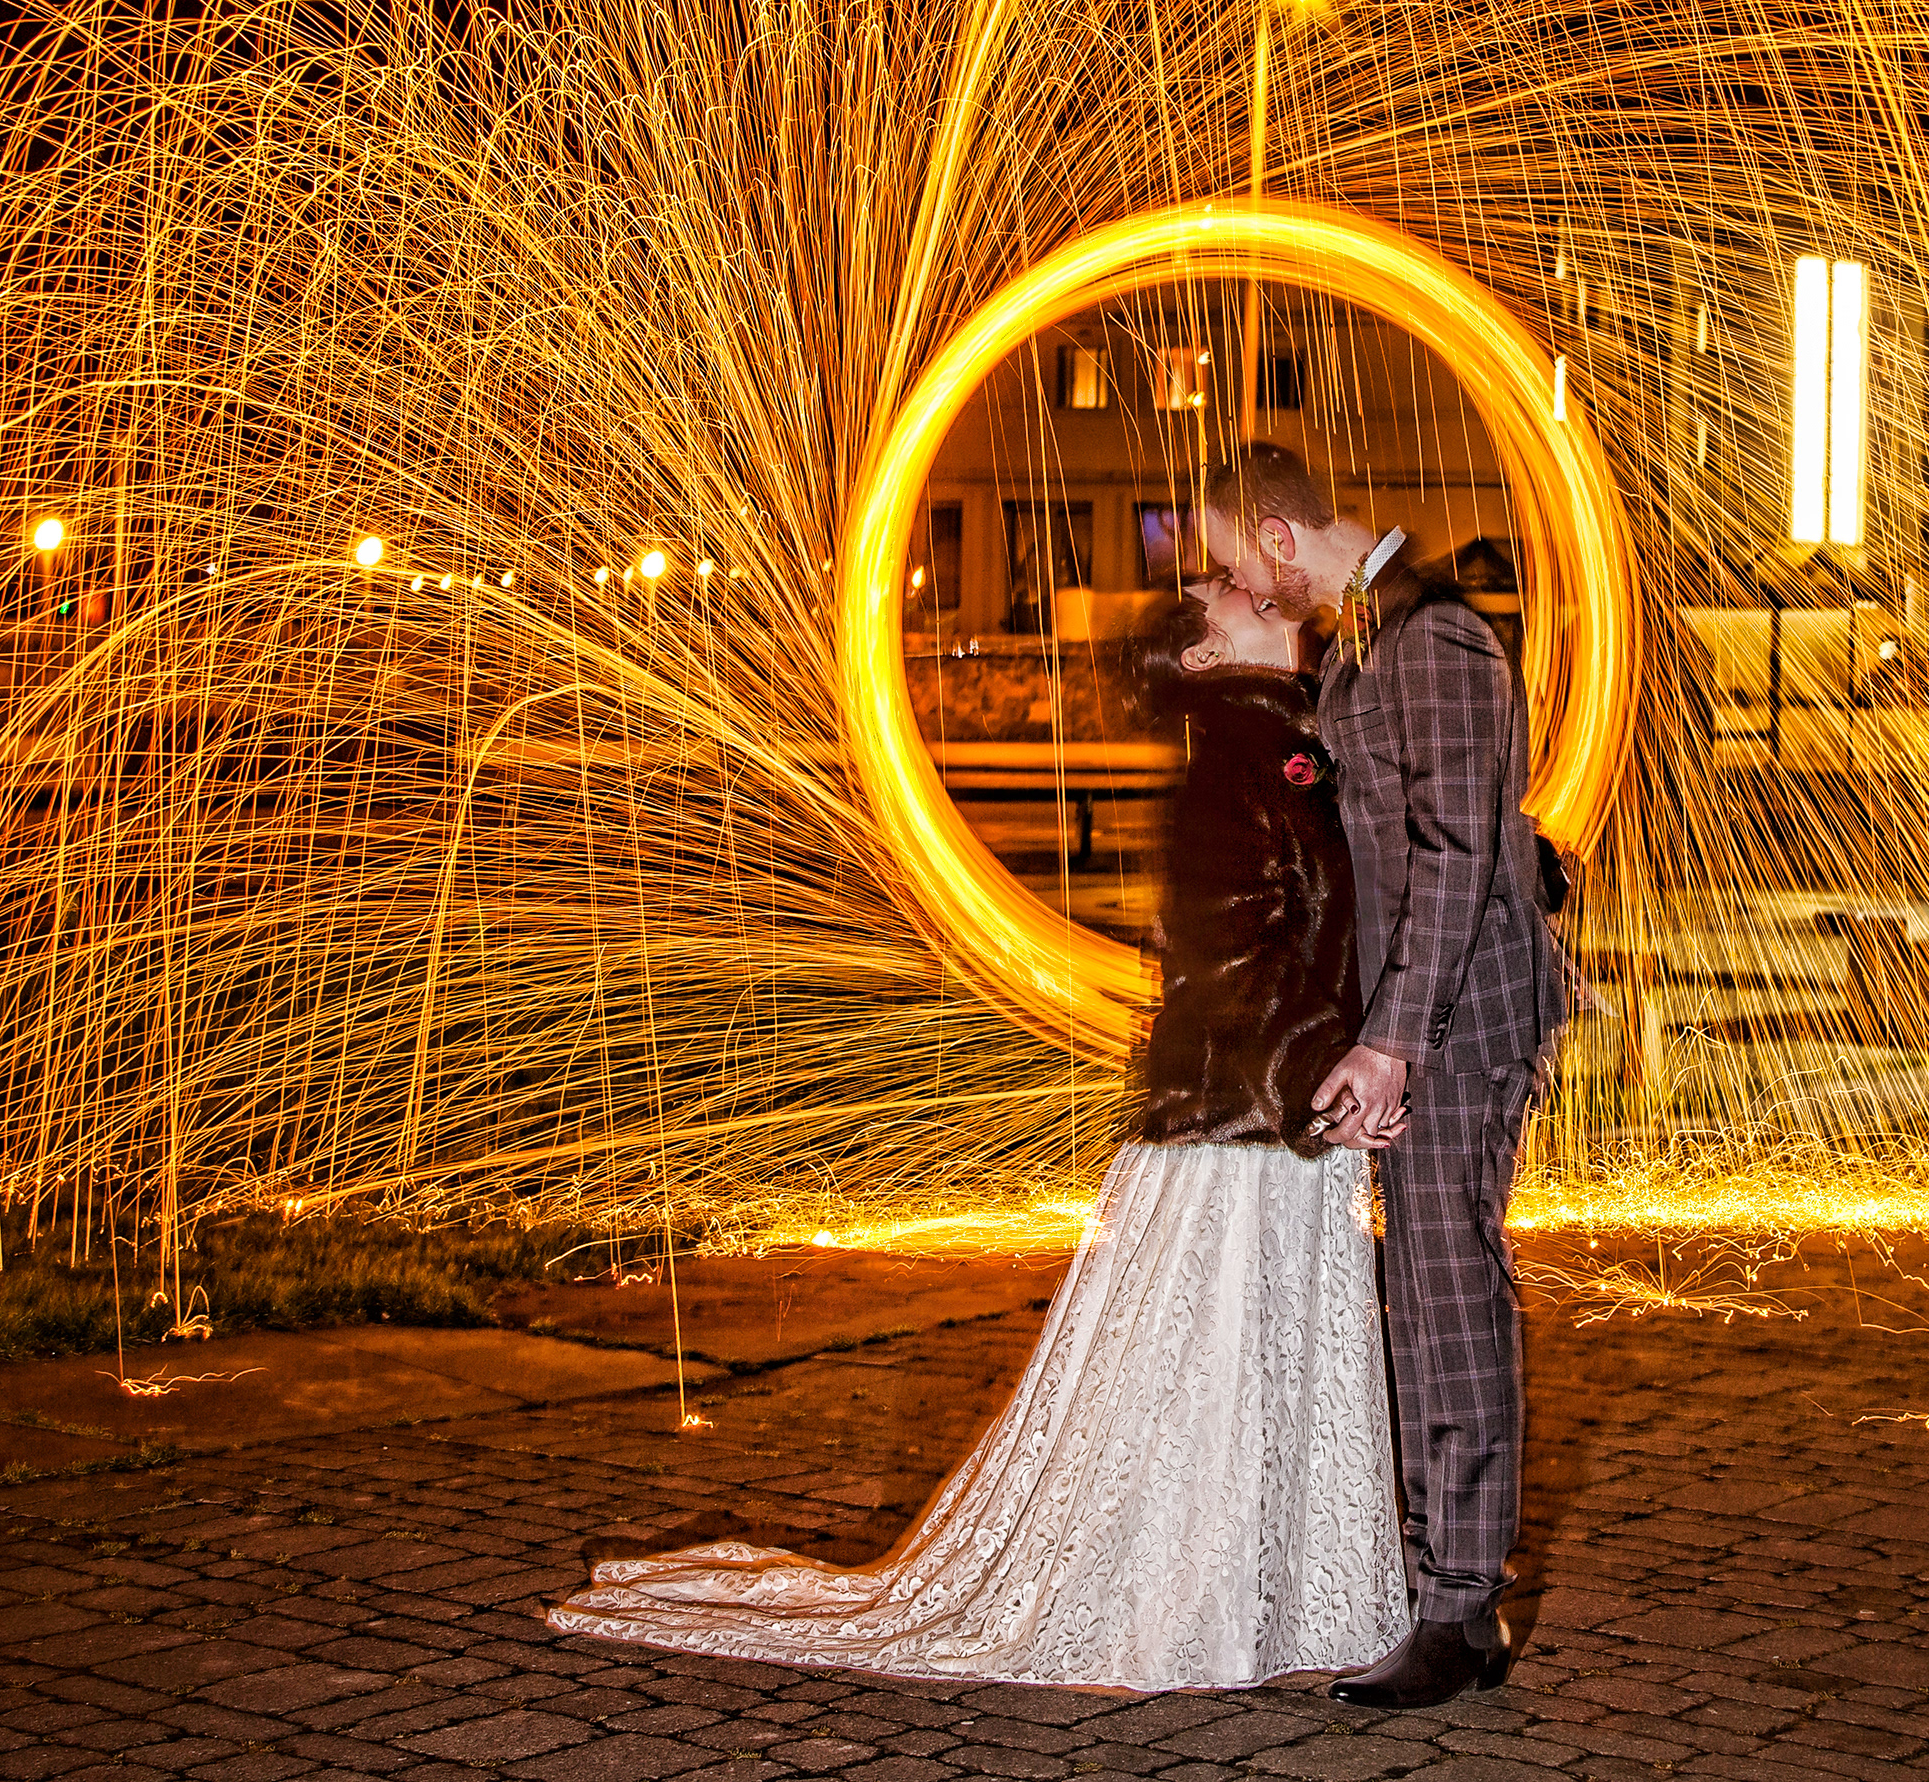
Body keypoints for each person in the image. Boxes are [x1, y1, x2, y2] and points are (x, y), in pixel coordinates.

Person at [545, 581, 1405, 1690]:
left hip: (1282, 1121)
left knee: (1259, 1363)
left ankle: (1268, 1593)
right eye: (1217, 593)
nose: (1238, 581)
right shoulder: (1230, 753)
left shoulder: (1288, 735)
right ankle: (1189, 1596)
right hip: (1235, 1125)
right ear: (1198, 660)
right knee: (1208, 1365)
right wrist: (1319, 1077)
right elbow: (1226, 954)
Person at [1195, 442, 1565, 1711]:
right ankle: (1442, 1588)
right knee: (1423, 1280)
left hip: (1464, 1014)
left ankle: (1461, 1614)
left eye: (1238, 563)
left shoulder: (1440, 638)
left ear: (1282, 541)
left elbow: (1457, 853)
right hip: (1419, 1008)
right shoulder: (1367, 640)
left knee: (1447, 1285)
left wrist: (1395, 1036)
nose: (1240, 584)